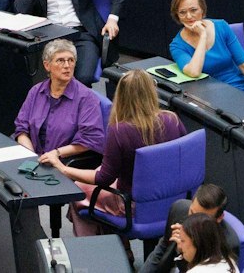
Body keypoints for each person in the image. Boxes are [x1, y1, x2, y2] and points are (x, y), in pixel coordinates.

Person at [53, 68, 183, 235]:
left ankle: (93, 253)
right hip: (172, 199)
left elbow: (104, 179)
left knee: (78, 191)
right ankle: (123, 249)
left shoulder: (119, 131)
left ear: (120, 96)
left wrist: (63, 169)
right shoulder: (172, 119)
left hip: (134, 205)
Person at [14, 38, 107, 164]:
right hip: (33, 158)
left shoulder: (87, 98)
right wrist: (31, 157)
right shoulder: (36, 91)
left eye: (71, 60)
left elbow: (90, 139)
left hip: (62, 162)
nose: (67, 66)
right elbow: (21, 129)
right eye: (60, 61)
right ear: (47, 65)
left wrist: (56, 153)